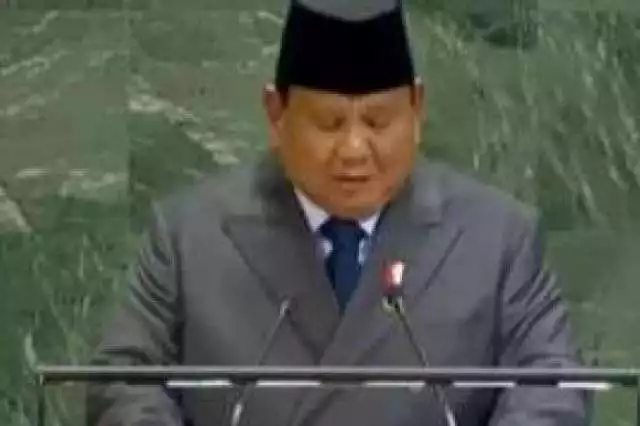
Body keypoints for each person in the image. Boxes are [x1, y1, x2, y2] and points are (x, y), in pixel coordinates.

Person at [86, 0, 589, 425]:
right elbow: (122, 384)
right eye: (328, 123)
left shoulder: (497, 238)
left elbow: (552, 390)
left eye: (377, 121)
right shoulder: (189, 236)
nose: (353, 149)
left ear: (416, 110)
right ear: (276, 114)